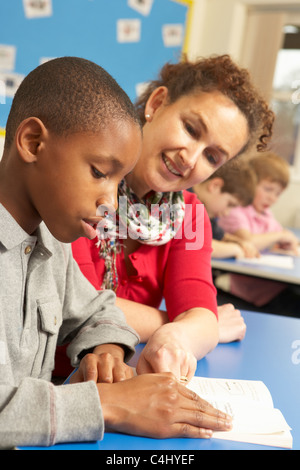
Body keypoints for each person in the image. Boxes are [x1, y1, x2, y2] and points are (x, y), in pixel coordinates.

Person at [0, 57, 232, 449]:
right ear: (33, 143)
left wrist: (105, 350)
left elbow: (99, 309)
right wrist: (111, 403)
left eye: (118, 181)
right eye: (98, 172)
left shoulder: (50, 239)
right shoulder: (63, 222)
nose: (110, 202)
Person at [66, 55, 274, 381]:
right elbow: (79, 306)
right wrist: (183, 322)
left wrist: (180, 334)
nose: (190, 159)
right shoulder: (87, 177)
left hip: (120, 382)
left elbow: (199, 316)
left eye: (211, 156)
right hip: (46, 382)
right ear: (157, 103)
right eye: (191, 129)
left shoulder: (189, 215)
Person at [217, 151, 300, 315]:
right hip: (253, 293)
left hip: (275, 285)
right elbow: (248, 240)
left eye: (277, 193)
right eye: (268, 189)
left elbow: (281, 236)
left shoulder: (265, 213)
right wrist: (279, 237)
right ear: (250, 183)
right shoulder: (234, 209)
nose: (273, 198)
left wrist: (286, 242)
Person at [193, 160, 259, 260]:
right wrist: (235, 249)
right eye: (230, 204)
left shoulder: (205, 212)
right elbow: (195, 243)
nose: (227, 212)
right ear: (215, 186)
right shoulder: (185, 200)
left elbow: (220, 236)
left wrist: (241, 243)